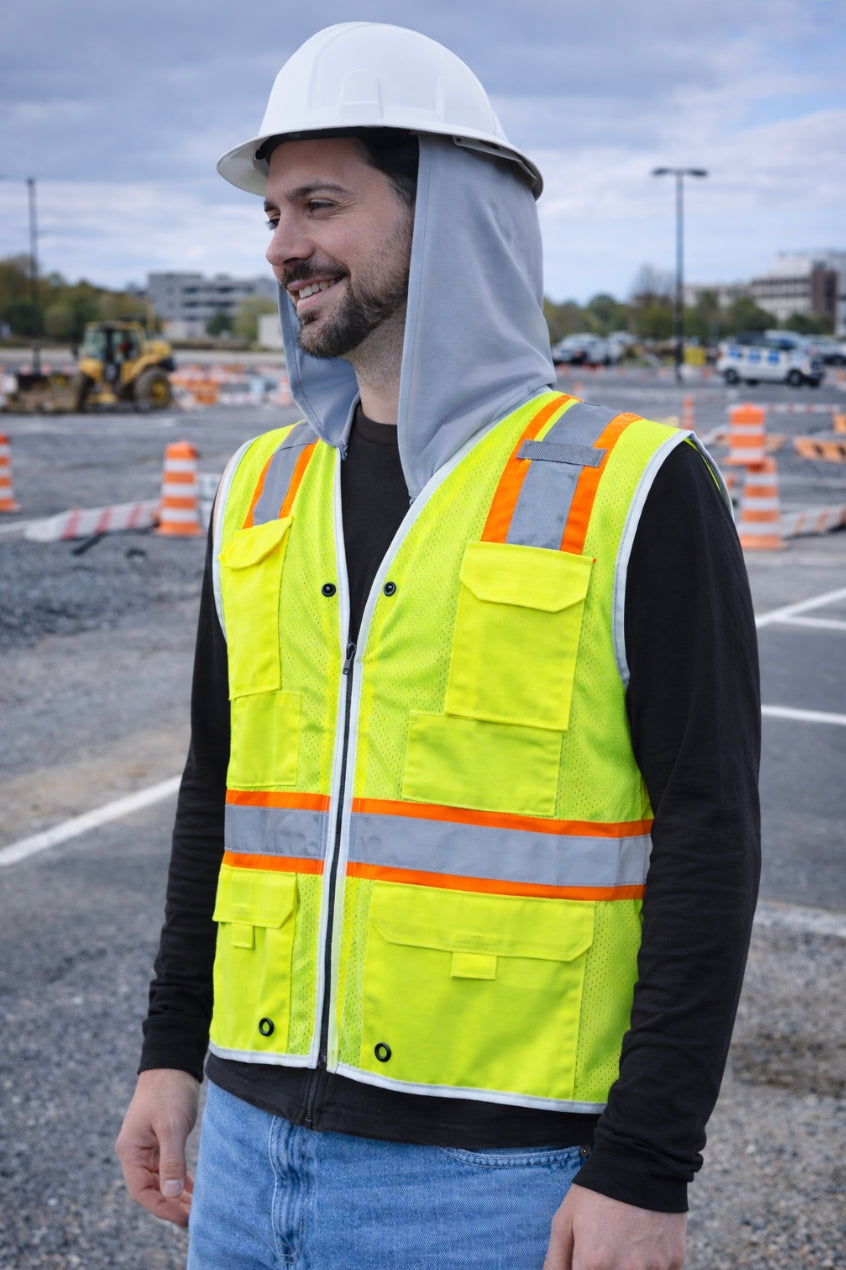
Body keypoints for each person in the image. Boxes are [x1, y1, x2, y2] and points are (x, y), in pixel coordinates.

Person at [116, 22, 760, 1270]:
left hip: (497, 1180)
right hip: (243, 1153)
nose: (280, 244)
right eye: (271, 210)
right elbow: (222, 793)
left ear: (452, 212)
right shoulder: (256, 486)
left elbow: (710, 833)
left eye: (319, 203)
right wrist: (167, 1050)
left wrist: (646, 1166)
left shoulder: (636, 488)